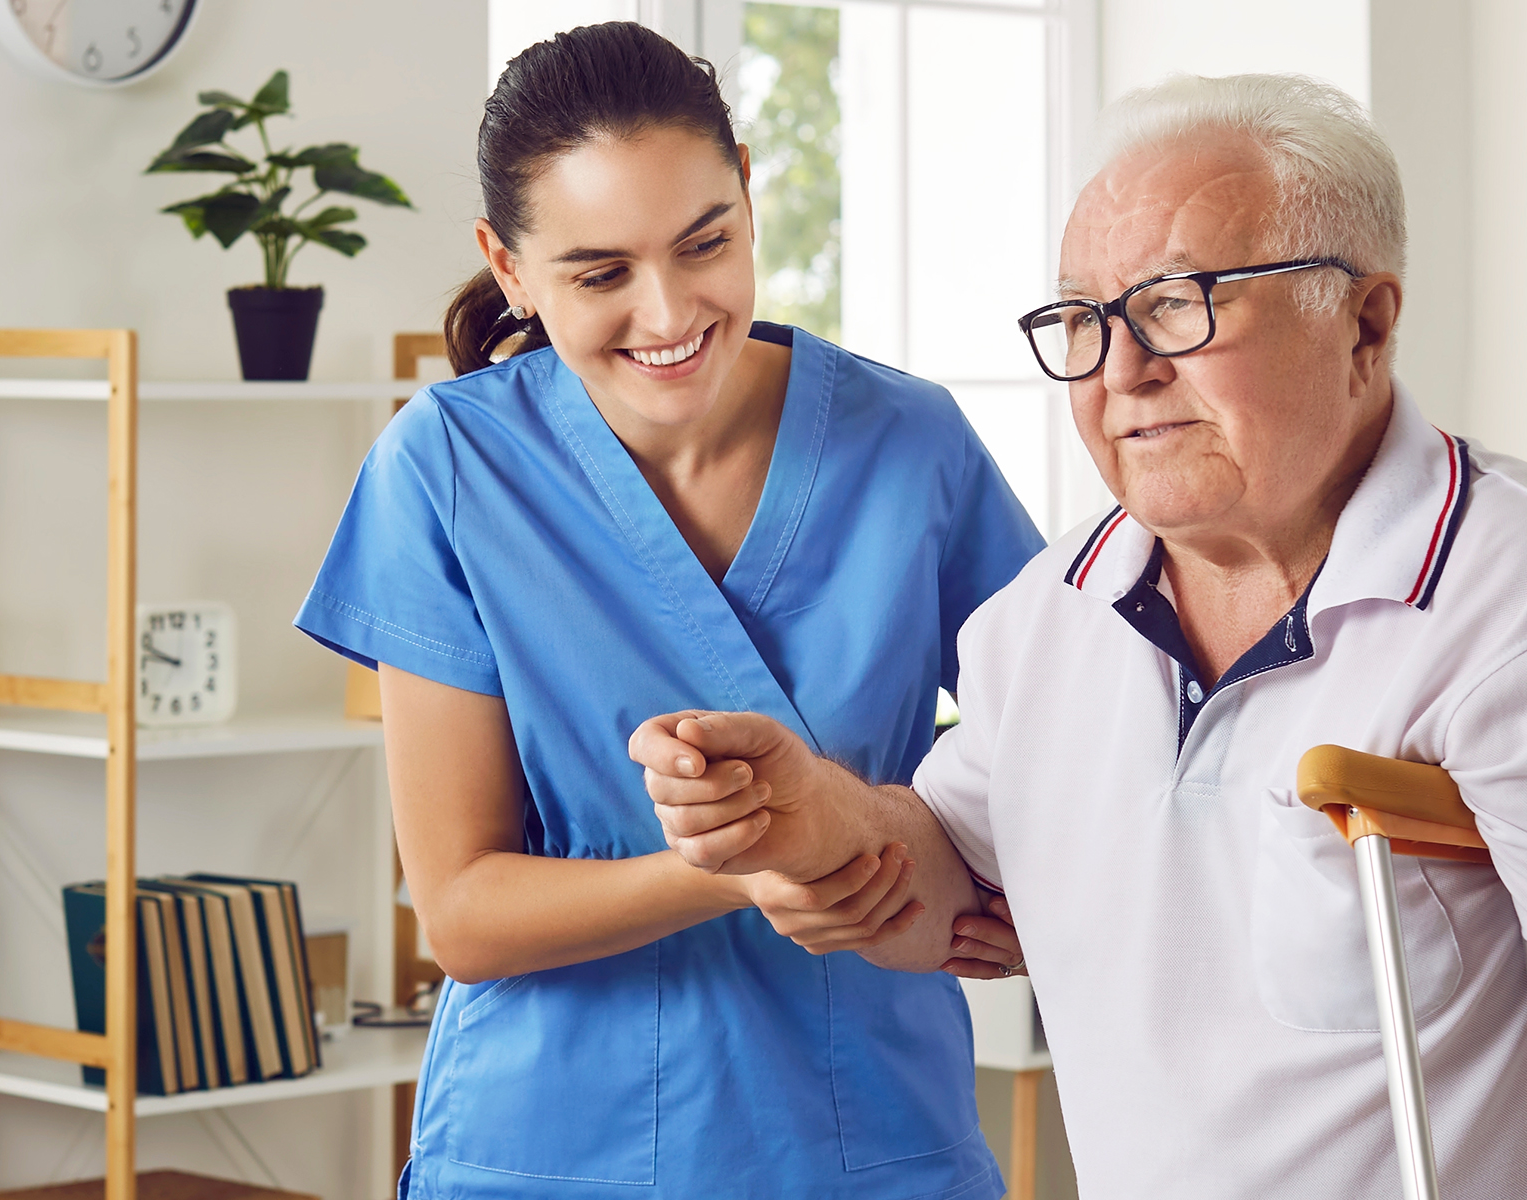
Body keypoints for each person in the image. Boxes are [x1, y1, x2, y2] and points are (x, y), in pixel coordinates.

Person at [631, 73, 1527, 1199]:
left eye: (1179, 305)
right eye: (1084, 319)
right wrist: (815, 816)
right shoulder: (1044, 621)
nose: (1122, 372)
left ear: (1366, 323)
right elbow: (944, 882)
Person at [294, 22, 1042, 1200]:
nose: (669, 312)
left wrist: (998, 883)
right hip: (548, 1149)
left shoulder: (911, 446)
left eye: (707, 244)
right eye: (599, 274)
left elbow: (1060, 752)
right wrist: (756, 863)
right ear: (508, 266)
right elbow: (463, 913)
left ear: (747, 189)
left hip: (868, 1139)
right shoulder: (445, 469)